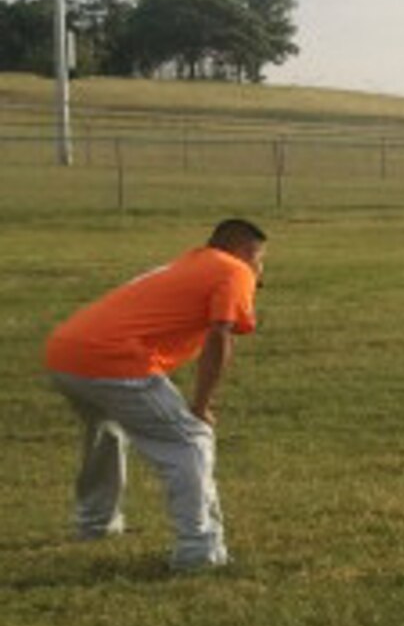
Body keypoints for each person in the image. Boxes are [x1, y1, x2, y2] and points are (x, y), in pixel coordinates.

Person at [42, 218, 267, 570]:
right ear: (244, 251)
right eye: (260, 258)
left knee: (107, 430)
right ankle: (199, 551)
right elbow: (220, 337)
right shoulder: (234, 269)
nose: (260, 268)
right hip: (113, 359)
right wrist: (201, 405)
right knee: (189, 441)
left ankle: (95, 523)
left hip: (64, 353)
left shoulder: (191, 262)